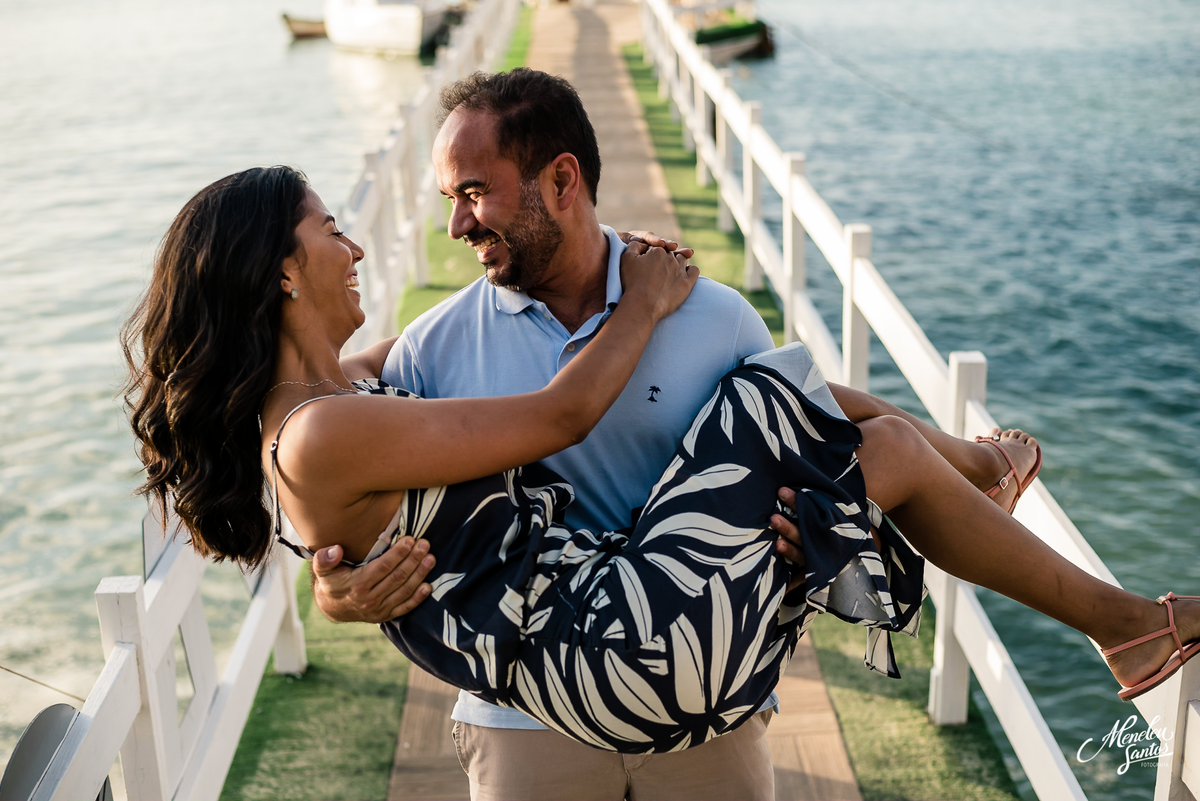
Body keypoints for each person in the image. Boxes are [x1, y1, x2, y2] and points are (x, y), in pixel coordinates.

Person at [124, 84, 1198, 797]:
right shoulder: (408, 369)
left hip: (667, 655)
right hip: (592, 664)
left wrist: (330, 575)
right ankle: (1064, 558)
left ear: (563, 181)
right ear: (280, 269)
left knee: (804, 408)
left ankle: (995, 489)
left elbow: (333, 441)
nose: (376, 243)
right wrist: (640, 303)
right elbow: (551, 419)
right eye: (332, 231)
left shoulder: (364, 382)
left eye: (473, 193)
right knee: (858, 436)